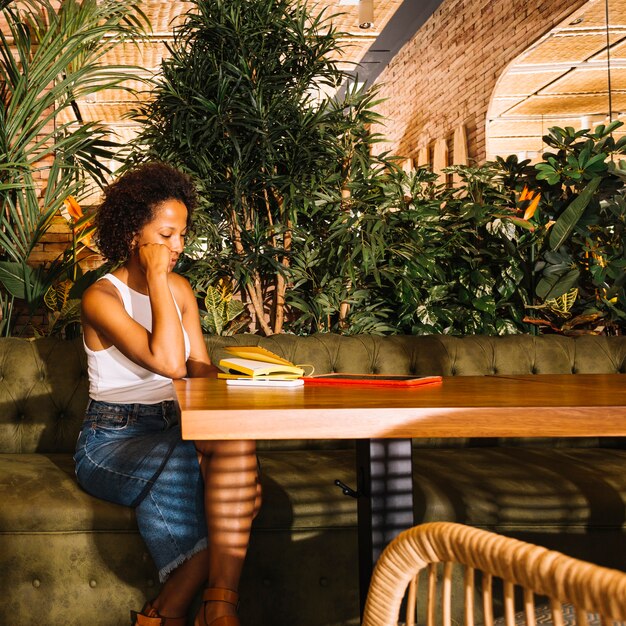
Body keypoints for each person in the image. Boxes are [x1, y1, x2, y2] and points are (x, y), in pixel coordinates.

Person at [74, 162, 260, 626]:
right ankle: (184, 607)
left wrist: (249, 379)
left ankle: (216, 605)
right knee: (243, 489)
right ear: (134, 233)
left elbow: (195, 369)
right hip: (110, 439)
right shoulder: (102, 298)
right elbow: (169, 363)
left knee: (237, 446)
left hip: (177, 423)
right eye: (166, 235)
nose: (177, 248)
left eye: (182, 236)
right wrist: (156, 278)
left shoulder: (179, 289)